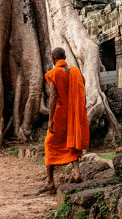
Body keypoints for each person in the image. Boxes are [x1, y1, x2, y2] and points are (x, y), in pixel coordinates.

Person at [39, 47, 90, 194]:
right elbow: (82, 85)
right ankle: (76, 173)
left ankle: (50, 181)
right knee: (72, 141)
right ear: (65, 57)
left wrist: (50, 119)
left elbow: (53, 96)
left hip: (60, 113)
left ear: (53, 58)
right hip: (74, 112)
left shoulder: (54, 73)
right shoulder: (75, 72)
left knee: (49, 143)